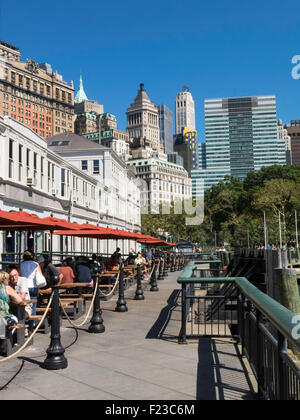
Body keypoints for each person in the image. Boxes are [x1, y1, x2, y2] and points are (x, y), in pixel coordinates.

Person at [0, 271, 24, 354]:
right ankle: (4, 345)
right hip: (2, 316)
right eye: (8, 279)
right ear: (5, 279)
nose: (9, 280)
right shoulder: (6, 288)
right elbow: (19, 300)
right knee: (14, 320)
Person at [8, 267, 32, 337]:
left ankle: (19, 335)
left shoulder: (23, 280)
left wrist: (12, 296)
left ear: (18, 274)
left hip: (26, 307)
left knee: (19, 316)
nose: (14, 278)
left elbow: (22, 298)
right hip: (12, 308)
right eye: (11, 276)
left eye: (15, 275)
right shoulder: (8, 283)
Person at [20, 250, 42, 316]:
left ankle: (26, 321)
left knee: (25, 305)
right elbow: (40, 274)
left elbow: (19, 274)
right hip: (33, 285)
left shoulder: (21, 264)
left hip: (24, 286)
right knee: (33, 305)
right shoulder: (36, 264)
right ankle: (33, 323)